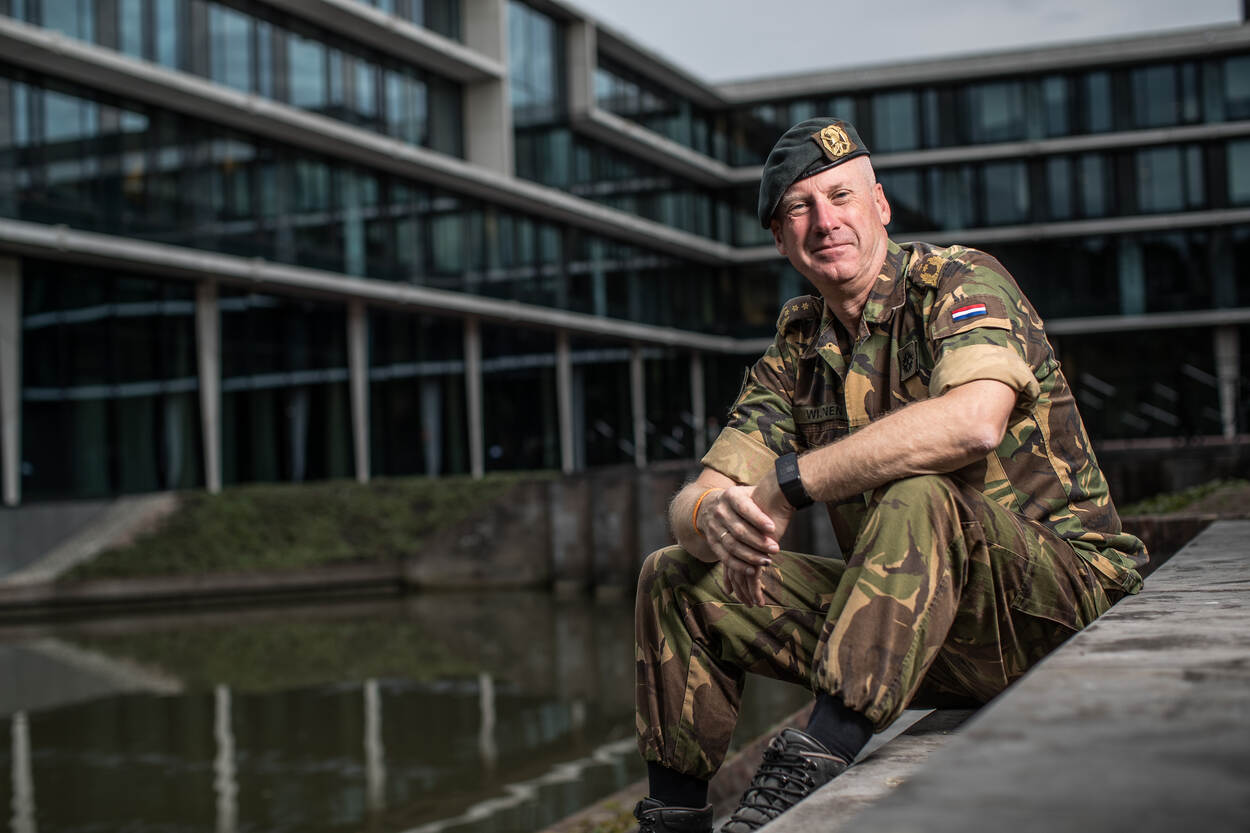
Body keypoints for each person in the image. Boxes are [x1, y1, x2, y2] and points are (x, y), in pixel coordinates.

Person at [631, 118, 1147, 833]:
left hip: (1058, 610)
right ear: (780, 238)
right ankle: (675, 816)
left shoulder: (958, 281)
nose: (825, 221)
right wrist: (710, 518)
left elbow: (974, 421)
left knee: (923, 490)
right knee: (675, 575)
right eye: (800, 208)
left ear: (881, 203)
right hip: (919, 636)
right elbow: (702, 491)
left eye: (841, 195)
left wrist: (789, 482)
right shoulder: (798, 349)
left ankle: (817, 760)